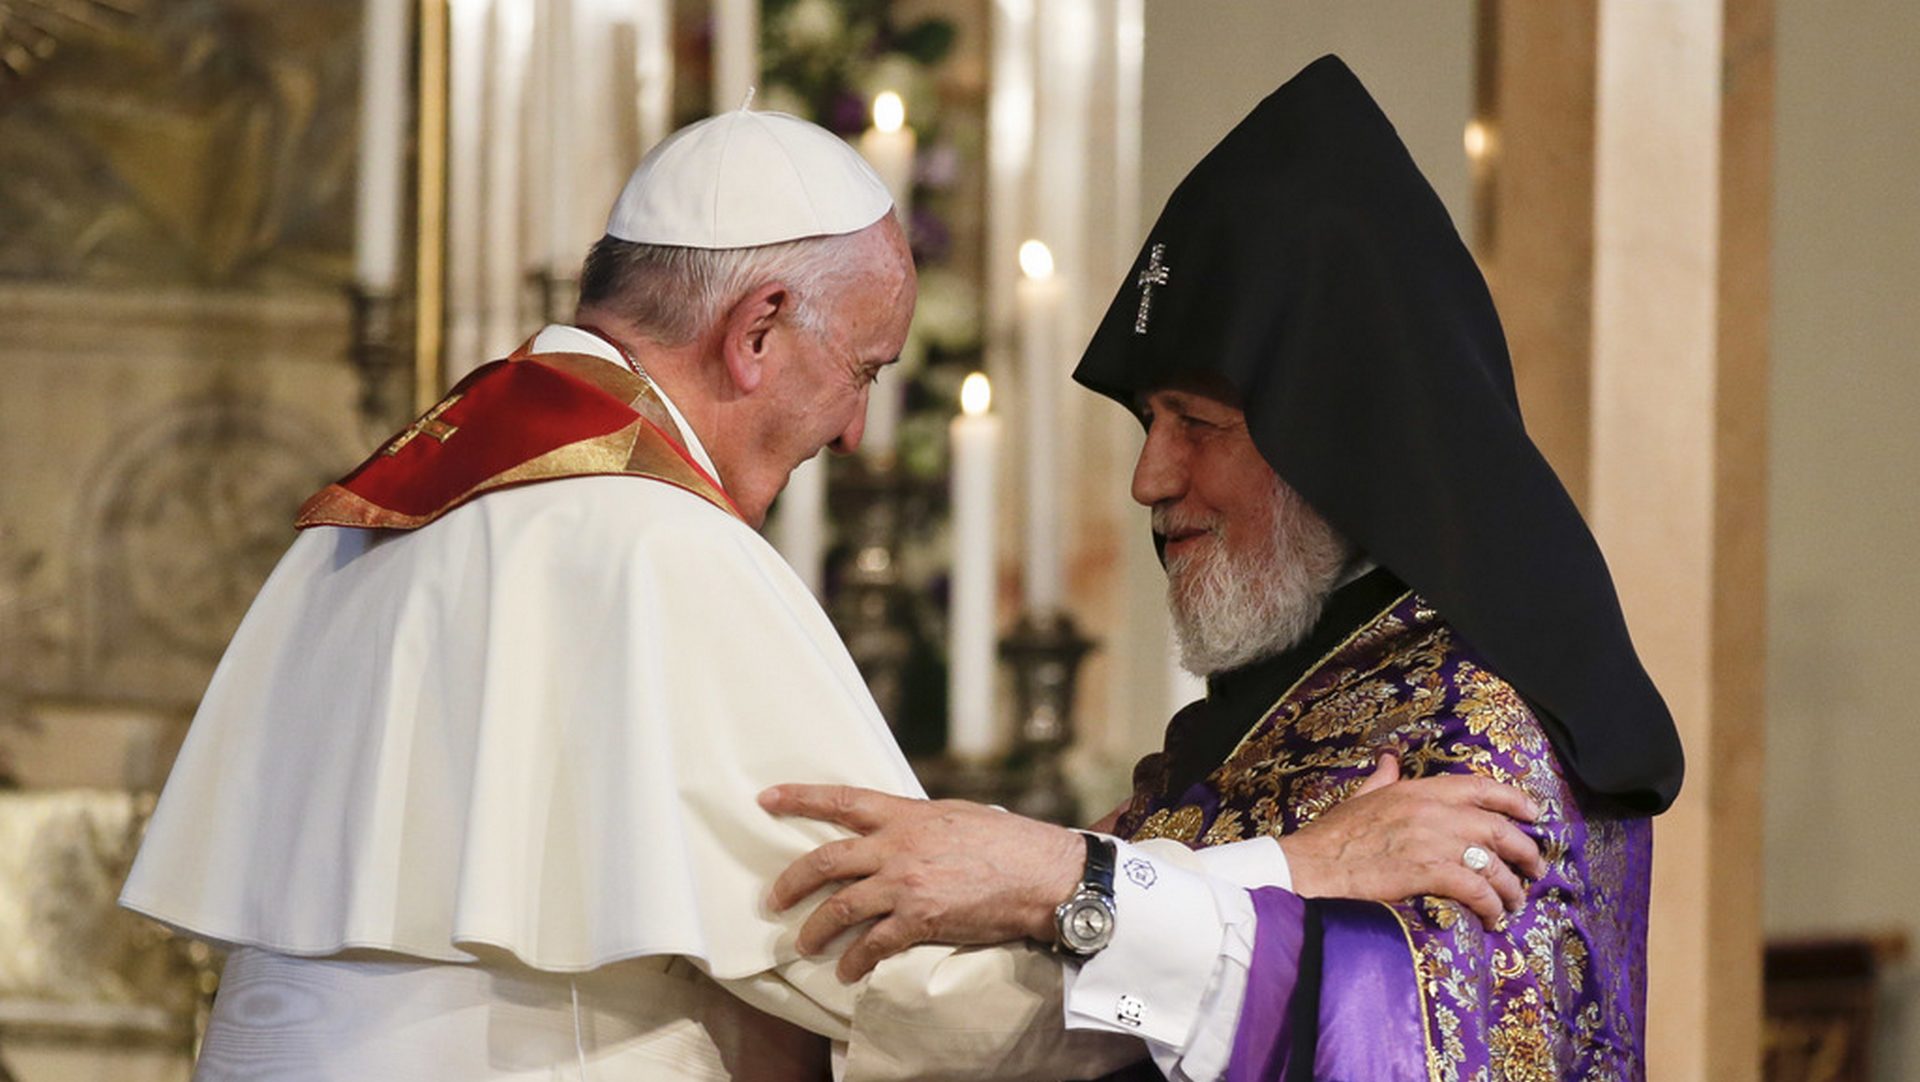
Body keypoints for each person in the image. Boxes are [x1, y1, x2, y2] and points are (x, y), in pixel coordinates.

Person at [120, 100, 1541, 1081]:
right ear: (757, 332)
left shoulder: (380, 509)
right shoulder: (651, 550)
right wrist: (1278, 878)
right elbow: (922, 994)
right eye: (860, 372)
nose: (859, 432)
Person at [762, 55, 1685, 1081]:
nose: (1149, 479)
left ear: (1338, 443)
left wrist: (1060, 874)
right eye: (1150, 422)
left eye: (1197, 424)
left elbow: (1400, 1046)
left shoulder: (1474, 744)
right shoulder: (1288, 695)